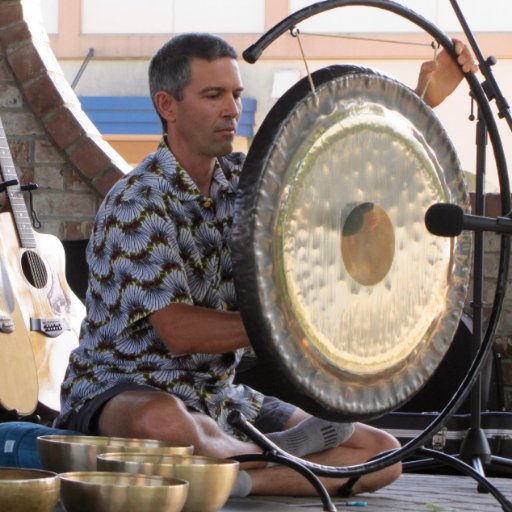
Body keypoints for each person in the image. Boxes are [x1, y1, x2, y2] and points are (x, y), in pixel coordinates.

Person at [55, 33, 477, 497]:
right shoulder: (137, 201)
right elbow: (180, 332)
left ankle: (235, 477)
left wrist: (422, 103)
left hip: (218, 396)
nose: (231, 109)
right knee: (164, 420)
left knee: (381, 453)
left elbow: (353, 192)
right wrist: (291, 326)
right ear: (167, 105)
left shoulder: (244, 184)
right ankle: (264, 457)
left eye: (235, 94)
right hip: (120, 391)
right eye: (213, 95)